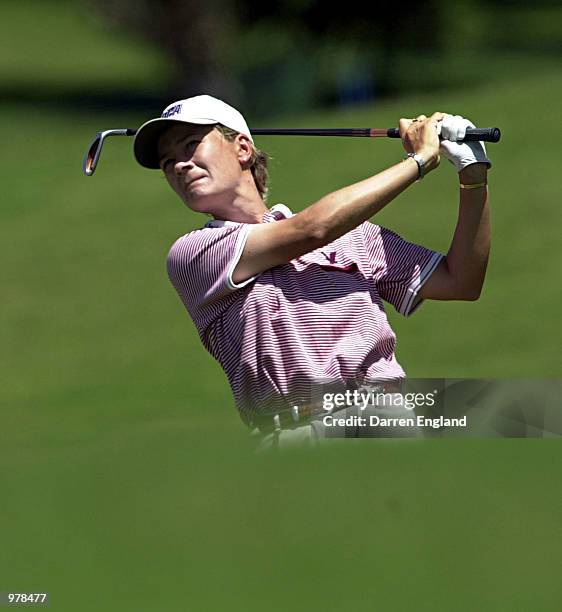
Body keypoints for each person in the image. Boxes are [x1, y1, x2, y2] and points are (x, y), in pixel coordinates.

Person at [133, 94, 491, 448]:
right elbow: (312, 230)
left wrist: (472, 177)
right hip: (293, 436)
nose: (179, 166)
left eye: (191, 145)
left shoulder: (353, 234)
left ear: (242, 148)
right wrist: (419, 161)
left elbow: (461, 280)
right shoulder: (193, 254)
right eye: (168, 162)